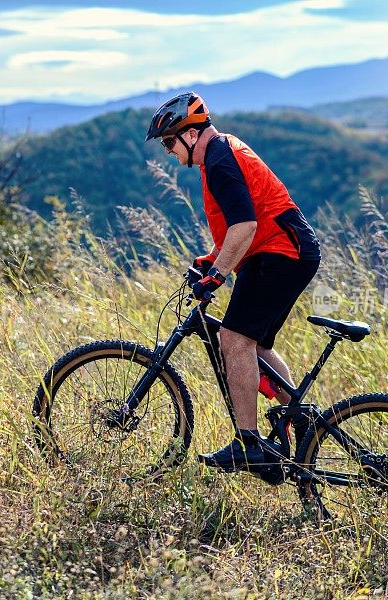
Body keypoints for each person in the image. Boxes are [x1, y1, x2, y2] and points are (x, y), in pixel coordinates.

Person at [145, 91, 321, 472]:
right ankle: (300, 420)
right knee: (251, 346)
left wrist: (217, 276)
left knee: (234, 339)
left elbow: (247, 226)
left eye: (168, 141)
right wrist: (209, 261)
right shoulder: (219, 155)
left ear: (191, 135)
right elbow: (237, 228)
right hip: (283, 253)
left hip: (280, 254)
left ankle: (249, 443)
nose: (167, 151)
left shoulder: (220, 159)